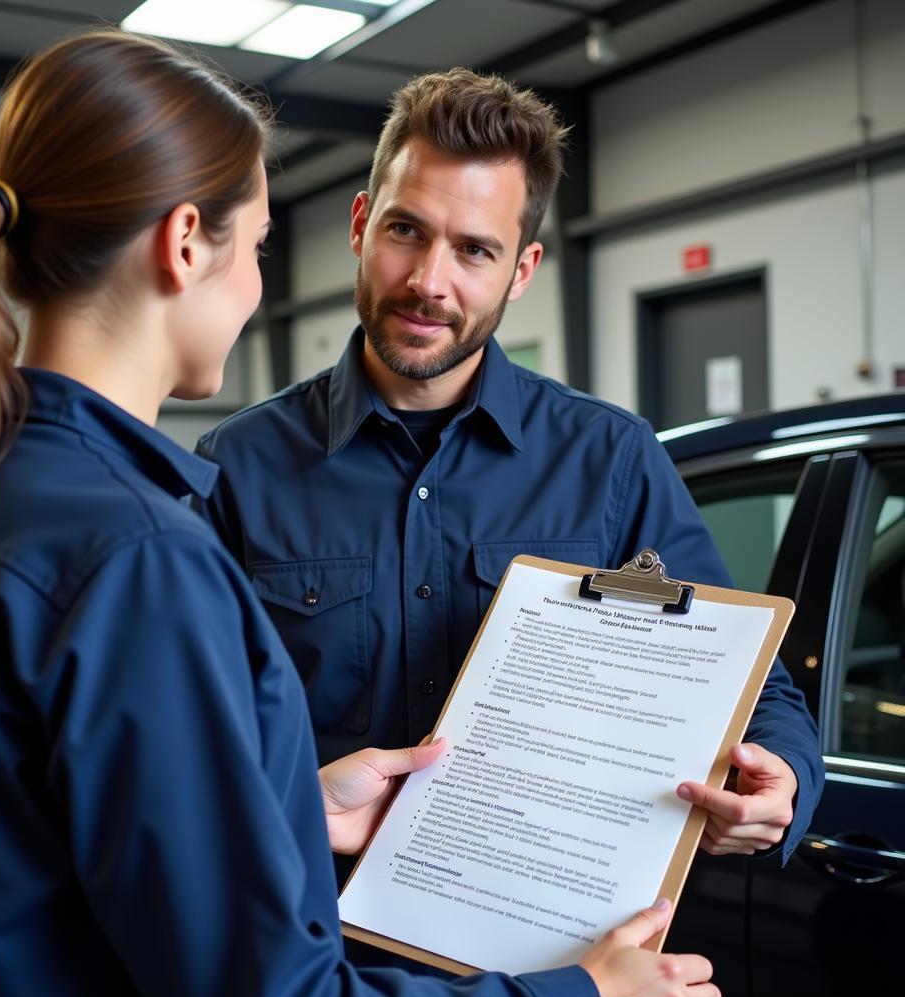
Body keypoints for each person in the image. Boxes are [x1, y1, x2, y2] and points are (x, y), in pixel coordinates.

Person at [0, 29, 720, 997]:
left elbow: (80, 832)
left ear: (522, 266)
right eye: (262, 246)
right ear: (186, 241)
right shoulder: (144, 551)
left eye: (475, 249)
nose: (257, 285)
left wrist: (292, 808)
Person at [192, 69, 824, 884]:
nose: (429, 281)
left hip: (540, 948)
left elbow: (742, 676)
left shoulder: (610, 461)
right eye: (406, 231)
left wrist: (788, 783)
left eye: (474, 250)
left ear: (521, 270)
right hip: (312, 944)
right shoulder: (237, 465)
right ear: (361, 224)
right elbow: (183, 732)